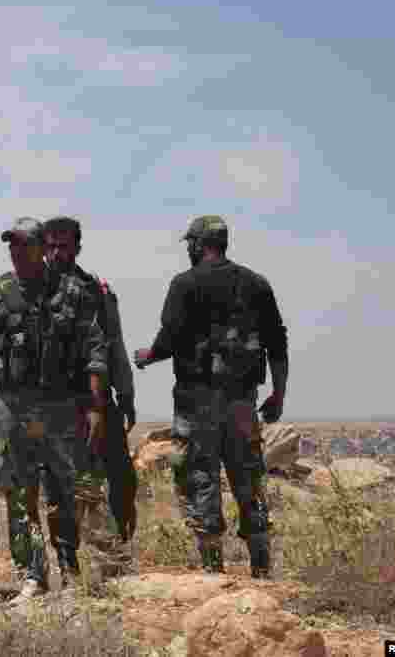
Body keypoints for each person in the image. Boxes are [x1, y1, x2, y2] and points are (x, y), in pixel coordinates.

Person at [0, 218, 109, 604]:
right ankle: (32, 575)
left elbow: (95, 350)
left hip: (63, 409)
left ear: (42, 248)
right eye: (12, 246)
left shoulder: (71, 292)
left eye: (24, 245)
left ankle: (73, 567)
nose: (16, 252)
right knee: (20, 495)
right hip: (13, 409)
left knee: (69, 489)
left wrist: (96, 407)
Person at [134, 215, 288, 578]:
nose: (188, 248)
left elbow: (168, 339)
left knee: (198, 475)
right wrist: (279, 393)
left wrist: (147, 356)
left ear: (198, 245)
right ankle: (261, 567)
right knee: (248, 477)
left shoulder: (184, 284)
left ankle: (213, 570)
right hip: (242, 401)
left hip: (196, 400)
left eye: (190, 243)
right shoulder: (256, 283)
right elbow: (278, 343)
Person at [38, 216, 138, 581]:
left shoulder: (96, 289)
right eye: (50, 245)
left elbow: (115, 343)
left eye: (64, 245)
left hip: (97, 398)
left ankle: (120, 554)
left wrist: (125, 393)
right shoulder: (34, 289)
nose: (57, 253)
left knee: (121, 479)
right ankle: (68, 563)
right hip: (54, 404)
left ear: (78, 247)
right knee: (61, 486)